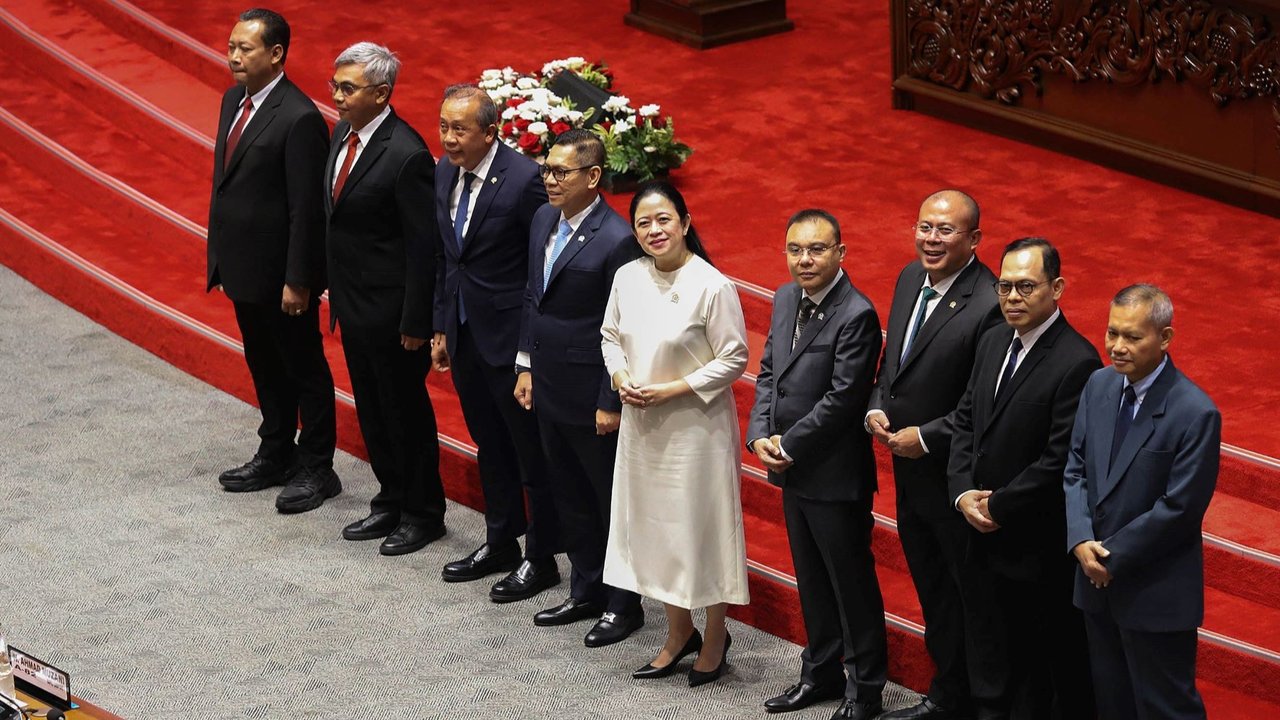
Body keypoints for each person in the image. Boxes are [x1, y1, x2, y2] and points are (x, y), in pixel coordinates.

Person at [601, 181, 749, 687]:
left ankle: (714, 636)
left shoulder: (713, 285)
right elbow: (610, 337)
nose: (654, 230)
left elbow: (735, 358)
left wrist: (675, 389)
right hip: (643, 428)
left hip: (696, 431)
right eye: (644, 222)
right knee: (658, 530)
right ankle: (677, 632)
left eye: (664, 219)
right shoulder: (627, 277)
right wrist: (621, 378)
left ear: (685, 223)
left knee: (699, 531)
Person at [947, 237, 1101, 720]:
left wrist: (997, 506)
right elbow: (967, 420)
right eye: (1005, 286)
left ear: (1056, 288)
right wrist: (962, 493)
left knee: (1034, 666)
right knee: (987, 649)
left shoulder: (1077, 361)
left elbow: (1059, 460)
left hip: (1032, 545)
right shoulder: (993, 339)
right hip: (978, 532)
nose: (1012, 297)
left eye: (1026, 287)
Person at [870, 191, 1003, 720]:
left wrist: (926, 436)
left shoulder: (991, 302)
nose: (931, 239)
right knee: (932, 589)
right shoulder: (909, 278)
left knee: (968, 595)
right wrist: (878, 405)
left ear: (973, 239)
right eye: (924, 227)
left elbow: (984, 402)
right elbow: (893, 363)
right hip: (909, 473)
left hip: (957, 478)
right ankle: (947, 693)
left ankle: (979, 701)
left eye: (945, 231)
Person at [750, 210, 888, 720]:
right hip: (791, 469)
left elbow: (843, 400)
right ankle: (821, 673)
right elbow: (769, 371)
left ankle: (865, 689)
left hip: (833, 475)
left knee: (851, 586)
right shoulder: (787, 298)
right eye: (795, 250)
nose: (804, 260)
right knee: (811, 580)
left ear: (840, 254)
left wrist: (788, 444)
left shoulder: (857, 314)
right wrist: (759, 433)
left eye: (816, 250)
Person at [514, 130, 645, 645]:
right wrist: (525, 364)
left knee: (606, 500)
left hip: (593, 394)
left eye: (559, 172)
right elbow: (533, 295)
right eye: (546, 169)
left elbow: (624, 327)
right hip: (547, 383)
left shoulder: (617, 239)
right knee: (568, 494)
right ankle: (585, 589)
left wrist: (609, 399)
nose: (548, 180)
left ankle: (623, 604)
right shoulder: (544, 218)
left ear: (593, 177)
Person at [1065, 285, 1219, 720]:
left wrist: (1107, 556)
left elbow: (1180, 509)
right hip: (1094, 584)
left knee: (1165, 709)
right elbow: (1075, 466)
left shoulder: (1195, 412)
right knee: (1112, 704)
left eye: (1132, 337)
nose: (1117, 346)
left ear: (1165, 338)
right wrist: (1080, 540)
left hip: (1154, 591)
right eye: (1112, 333)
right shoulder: (1098, 384)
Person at [207, 8, 338, 513]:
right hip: (242, 267)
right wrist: (218, 254)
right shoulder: (230, 100)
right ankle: (276, 449)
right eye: (232, 46)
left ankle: (318, 467)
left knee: (303, 366)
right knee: (262, 362)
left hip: (283, 276)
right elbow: (228, 184)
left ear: (277, 53)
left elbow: (306, 209)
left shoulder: (299, 117)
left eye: (246, 49)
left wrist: (299, 278)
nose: (234, 56)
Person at [432, 84, 559, 601]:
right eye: (443, 126)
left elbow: (539, 271)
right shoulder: (443, 171)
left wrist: (530, 350)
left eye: (459, 129)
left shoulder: (526, 181)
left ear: (491, 132)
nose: (448, 138)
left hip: (511, 343)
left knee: (530, 452)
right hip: (465, 333)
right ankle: (501, 539)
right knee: (490, 445)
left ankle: (543, 556)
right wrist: (442, 324)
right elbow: (448, 257)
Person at [322, 42, 445, 555]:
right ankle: (390, 498)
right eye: (336, 85)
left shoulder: (407, 154)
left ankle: (423, 512)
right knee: (373, 410)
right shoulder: (342, 133)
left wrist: (417, 321)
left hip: (395, 317)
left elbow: (423, 249)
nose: (336, 96)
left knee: (404, 414)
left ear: (381, 93)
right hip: (353, 306)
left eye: (347, 88)